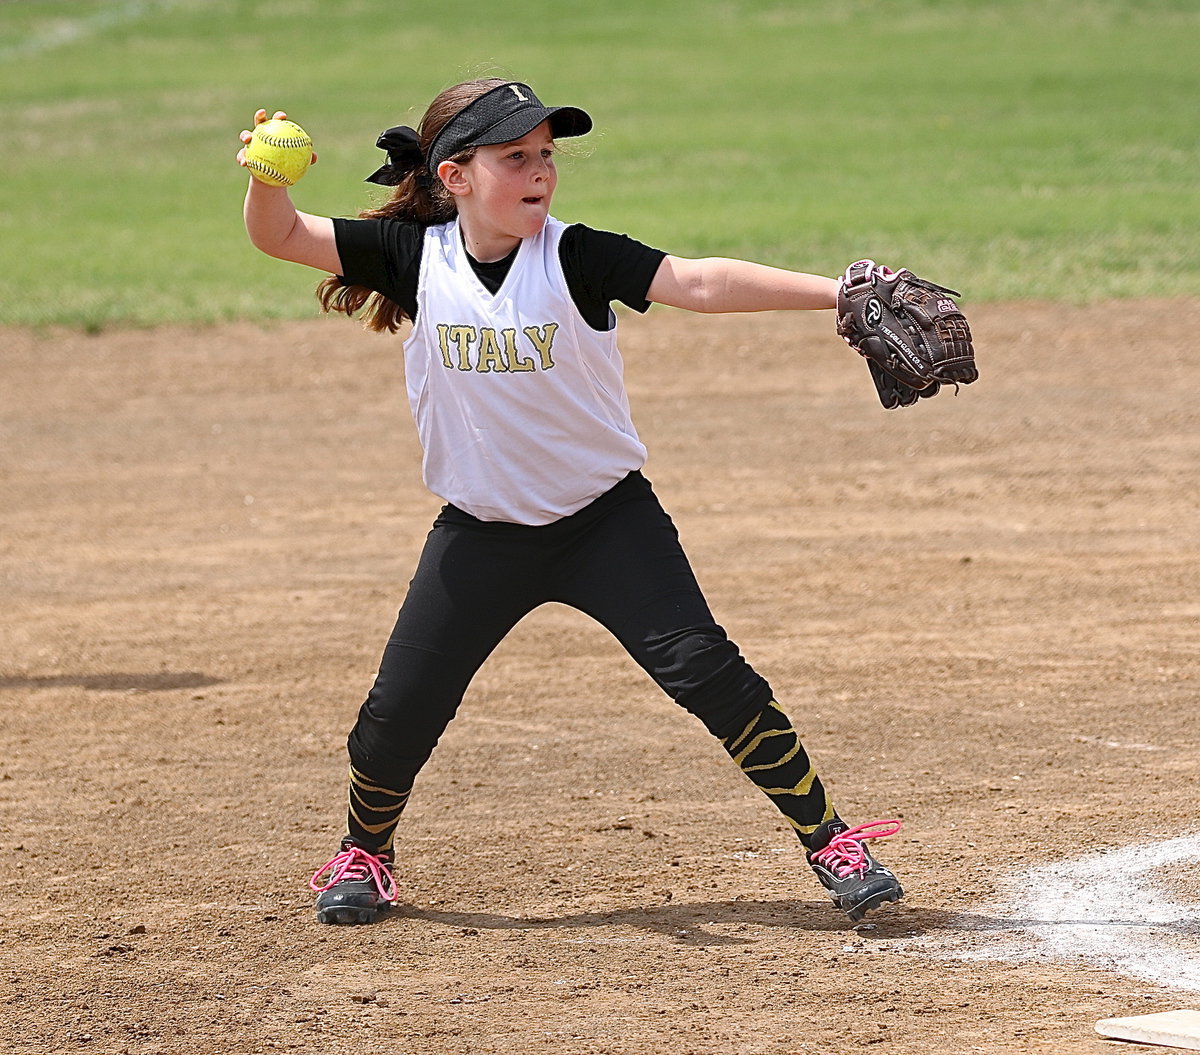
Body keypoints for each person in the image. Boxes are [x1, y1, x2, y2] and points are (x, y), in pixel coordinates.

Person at [237, 78, 904, 927]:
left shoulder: (576, 255)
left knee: (712, 675)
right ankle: (365, 850)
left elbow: (698, 282)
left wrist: (838, 292)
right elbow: (283, 235)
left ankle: (832, 841)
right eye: (515, 156)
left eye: (546, 154)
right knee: (399, 708)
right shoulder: (415, 257)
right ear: (456, 176)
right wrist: (266, 175)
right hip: (479, 534)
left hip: (605, 522)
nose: (540, 170)